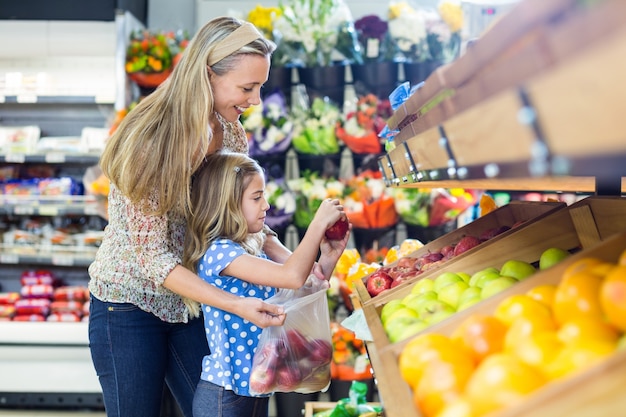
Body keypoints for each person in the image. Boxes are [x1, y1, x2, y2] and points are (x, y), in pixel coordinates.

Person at [88, 16, 295, 417]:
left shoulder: (229, 130)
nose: (255, 101)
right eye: (247, 87)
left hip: (192, 303)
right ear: (207, 75)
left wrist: (293, 263)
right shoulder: (151, 141)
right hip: (128, 306)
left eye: (260, 88)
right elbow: (155, 261)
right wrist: (235, 304)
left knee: (222, 409)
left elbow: (236, 218)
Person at [183, 151, 351, 417]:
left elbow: (302, 287)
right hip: (225, 395)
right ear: (227, 204)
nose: (267, 206)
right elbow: (292, 275)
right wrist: (317, 224)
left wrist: (328, 258)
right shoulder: (220, 253)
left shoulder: (251, 247)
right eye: (256, 197)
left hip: (256, 388)